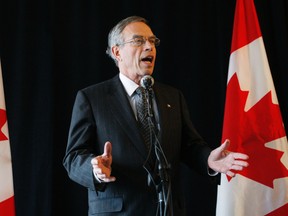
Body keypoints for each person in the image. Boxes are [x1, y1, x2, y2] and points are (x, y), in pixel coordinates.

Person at [63, 15, 249, 216]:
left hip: (168, 210)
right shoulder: (92, 98)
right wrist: (94, 169)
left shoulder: (172, 96)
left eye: (152, 41)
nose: (149, 47)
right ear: (117, 52)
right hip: (119, 211)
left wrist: (208, 160)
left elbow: (190, 146)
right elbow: (73, 157)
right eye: (138, 41)